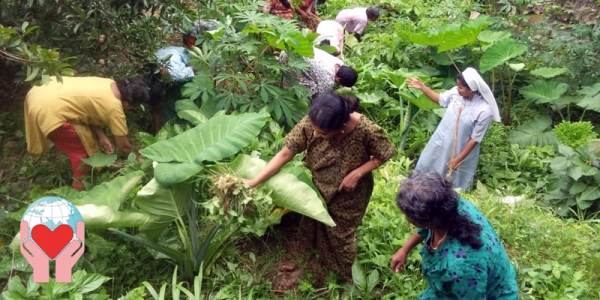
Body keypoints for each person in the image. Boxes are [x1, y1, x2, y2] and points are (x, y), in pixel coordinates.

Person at [244, 92, 395, 282]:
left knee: (340, 234)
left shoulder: (367, 130)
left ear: (341, 128)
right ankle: (308, 259)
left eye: (322, 134)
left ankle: (346, 277)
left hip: (350, 193)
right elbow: (285, 153)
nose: (315, 134)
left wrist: (357, 173)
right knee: (311, 222)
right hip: (319, 184)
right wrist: (255, 181)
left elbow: (385, 153)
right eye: (315, 130)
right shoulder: (312, 122)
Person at [390, 172, 519, 299]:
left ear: (426, 222)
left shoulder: (461, 267)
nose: (405, 217)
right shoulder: (448, 207)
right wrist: (405, 249)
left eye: (407, 214)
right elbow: (425, 227)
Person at [24, 76, 153, 190]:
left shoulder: (109, 84)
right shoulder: (114, 108)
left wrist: (102, 136)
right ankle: (78, 192)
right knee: (82, 152)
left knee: (86, 138)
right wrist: (138, 159)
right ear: (127, 102)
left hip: (41, 89)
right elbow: (124, 147)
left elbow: (86, 111)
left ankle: (101, 166)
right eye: (134, 106)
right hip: (48, 108)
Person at [406, 67, 501, 191]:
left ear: (472, 90)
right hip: (440, 141)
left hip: (461, 149)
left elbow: (475, 139)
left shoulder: (483, 111)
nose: (457, 89)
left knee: (452, 185)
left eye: (461, 87)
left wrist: (458, 159)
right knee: (427, 171)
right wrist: (422, 87)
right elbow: (440, 99)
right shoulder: (455, 93)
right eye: (457, 85)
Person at [150, 20, 221, 133]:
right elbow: (175, 74)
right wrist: (196, 68)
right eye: (207, 40)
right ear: (192, 41)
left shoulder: (191, 55)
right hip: (161, 91)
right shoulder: (173, 55)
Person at [279, 47, 358, 99]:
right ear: (338, 78)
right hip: (288, 60)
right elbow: (320, 99)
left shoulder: (339, 62)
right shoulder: (328, 80)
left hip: (290, 49)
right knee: (313, 90)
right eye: (341, 84)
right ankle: (286, 96)